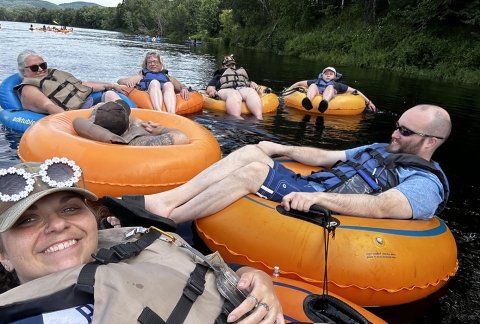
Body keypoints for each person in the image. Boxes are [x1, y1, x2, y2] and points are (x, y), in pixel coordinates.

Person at [0, 159, 284, 323]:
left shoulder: (119, 251)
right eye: (27, 220)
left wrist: (254, 277)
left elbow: (198, 268)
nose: (58, 224)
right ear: (4, 256)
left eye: (70, 208)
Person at [105, 104, 450, 224]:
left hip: (328, 206)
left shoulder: (424, 183)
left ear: (430, 141)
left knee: (255, 172)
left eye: (405, 131)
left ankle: (169, 218)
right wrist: (276, 146)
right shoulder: (381, 147)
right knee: (256, 153)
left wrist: (318, 199)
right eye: (397, 126)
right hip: (317, 185)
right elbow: (327, 158)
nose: (395, 134)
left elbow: (382, 208)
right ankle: (166, 199)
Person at [16, 49, 129, 115]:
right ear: (24, 71)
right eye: (34, 68)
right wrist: (72, 120)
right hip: (74, 114)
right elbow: (49, 106)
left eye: (43, 65)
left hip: (84, 104)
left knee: (110, 94)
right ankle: (124, 121)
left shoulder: (52, 75)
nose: (41, 69)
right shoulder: (29, 89)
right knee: (103, 107)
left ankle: (128, 116)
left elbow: (80, 85)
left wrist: (111, 85)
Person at [72, 99, 189, 146]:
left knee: (119, 102)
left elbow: (100, 105)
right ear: (128, 126)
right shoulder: (137, 142)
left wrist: (138, 121)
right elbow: (181, 137)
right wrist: (158, 129)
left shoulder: (91, 124)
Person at [117, 50, 190, 114]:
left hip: (164, 93)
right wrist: (128, 81)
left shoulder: (167, 77)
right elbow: (120, 81)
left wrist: (184, 88)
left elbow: (181, 86)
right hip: (148, 93)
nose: (152, 64)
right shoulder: (141, 75)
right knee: (155, 82)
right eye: (149, 62)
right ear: (146, 65)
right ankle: (158, 111)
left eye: (155, 62)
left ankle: (171, 113)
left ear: (160, 63)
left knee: (169, 84)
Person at [288, 66, 376, 113]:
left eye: (331, 73)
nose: (328, 75)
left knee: (330, 87)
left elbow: (355, 91)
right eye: (326, 73)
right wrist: (287, 91)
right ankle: (307, 100)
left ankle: (324, 103)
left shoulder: (338, 85)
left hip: (330, 96)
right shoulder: (316, 81)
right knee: (313, 85)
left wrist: (369, 102)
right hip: (317, 93)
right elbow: (299, 83)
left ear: (334, 76)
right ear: (322, 75)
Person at [206, 54, 263, 120]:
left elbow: (246, 82)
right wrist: (212, 91)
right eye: (228, 65)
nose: (231, 67)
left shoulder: (239, 74)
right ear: (223, 66)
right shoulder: (219, 75)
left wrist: (251, 83)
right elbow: (210, 86)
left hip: (241, 89)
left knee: (251, 91)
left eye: (233, 65)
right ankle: (236, 119)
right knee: (234, 94)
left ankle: (259, 118)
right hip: (225, 90)